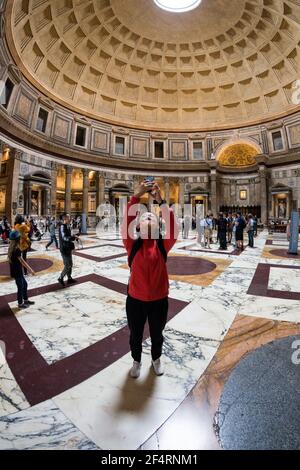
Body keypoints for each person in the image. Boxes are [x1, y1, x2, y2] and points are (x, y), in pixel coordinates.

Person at [122, 180, 179, 378]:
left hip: (159, 300)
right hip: (135, 299)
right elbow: (126, 222)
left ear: (157, 225)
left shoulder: (163, 244)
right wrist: (135, 197)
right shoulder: (132, 244)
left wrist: (161, 201)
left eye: (151, 217)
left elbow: (174, 227)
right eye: (144, 217)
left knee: (157, 334)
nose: (148, 218)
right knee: (135, 334)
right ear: (137, 226)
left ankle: (156, 358)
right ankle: (136, 361)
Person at [7, 230, 35, 309]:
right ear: (17, 239)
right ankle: (20, 303)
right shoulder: (16, 249)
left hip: (16, 270)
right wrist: (30, 270)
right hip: (17, 271)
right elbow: (22, 261)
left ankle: (25, 300)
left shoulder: (11, 248)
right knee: (20, 287)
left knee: (24, 285)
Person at [57, 213, 78, 286]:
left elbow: (68, 236)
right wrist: (72, 238)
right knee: (67, 265)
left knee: (70, 264)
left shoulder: (67, 226)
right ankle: (60, 277)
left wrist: (74, 236)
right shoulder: (62, 226)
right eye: (69, 217)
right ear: (65, 219)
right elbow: (64, 237)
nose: (70, 218)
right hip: (64, 248)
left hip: (68, 247)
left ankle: (69, 278)